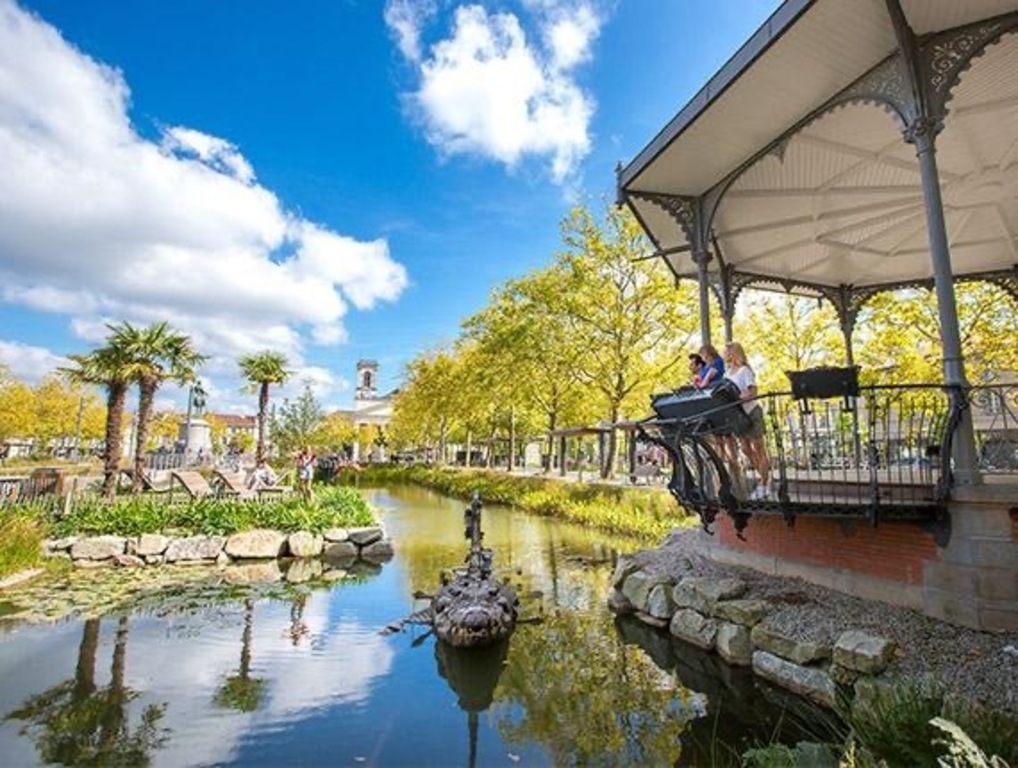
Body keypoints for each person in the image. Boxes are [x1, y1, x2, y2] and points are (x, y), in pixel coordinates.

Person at [722, 342, 772, 500]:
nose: (724, 355)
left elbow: (753, 390)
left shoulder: (745, 370)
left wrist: (744, 395)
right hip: (738, 415)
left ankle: (764, 484)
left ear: (733, 353)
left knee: (758, 447)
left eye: (726, 352)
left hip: (751, 412)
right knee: (745, 448)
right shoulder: (726, 374)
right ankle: (765, 475)